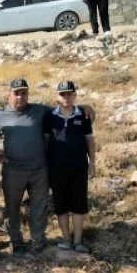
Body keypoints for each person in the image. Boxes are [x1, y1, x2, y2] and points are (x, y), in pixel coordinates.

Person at [0, 78, 51, 255]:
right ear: (9, 94)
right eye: (16, 93)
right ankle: (16, 241)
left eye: (24, 93)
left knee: (39, 207)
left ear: (28, 94)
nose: (20, 97)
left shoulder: (40, 110)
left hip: (39, 170)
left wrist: (84, 107)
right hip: (13, 170)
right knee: (12, 207)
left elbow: (64, 109)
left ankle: (38, 240)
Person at [46, 81, 96, 253]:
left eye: (69, 93)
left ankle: (78, 241)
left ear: (75, 95)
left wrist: (92, 163)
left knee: (78, 204)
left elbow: (90, 140)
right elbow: (46, 141)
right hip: (56, 168)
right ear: (57, 96)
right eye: (62, 94)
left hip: (79, 168)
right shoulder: (49, 116)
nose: (66, 97)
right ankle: (66, 239)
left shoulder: (83, 115)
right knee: (61, 204)